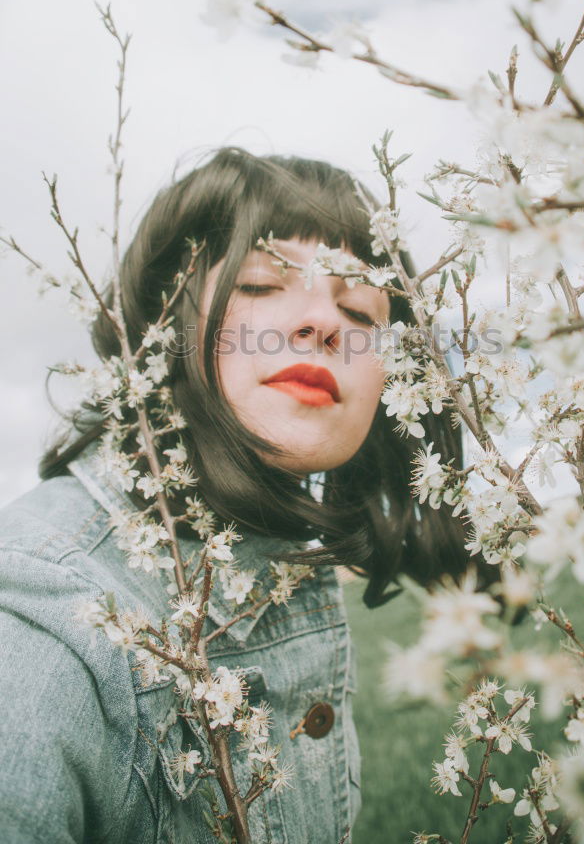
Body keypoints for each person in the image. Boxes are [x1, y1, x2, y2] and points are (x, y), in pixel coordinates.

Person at [0, 148, 468, 843]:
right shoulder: (45, 612)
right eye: (258, 284)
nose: (322, 323)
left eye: (361, 308)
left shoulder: (279, 563)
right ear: (165, 323)